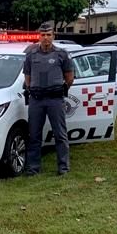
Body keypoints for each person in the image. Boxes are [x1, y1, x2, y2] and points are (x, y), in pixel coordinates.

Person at [23, 22, 75, 176]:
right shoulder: (31, 55)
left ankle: (63, 167)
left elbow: (69, 78)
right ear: (39, 36)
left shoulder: (62, 54)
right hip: (36, 100)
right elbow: (27, 77)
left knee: (60, 134)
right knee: (34, 135)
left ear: (53, 36)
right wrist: (33, 89)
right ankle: (33, 168)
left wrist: (59, 89)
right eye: (43, 35)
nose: (45, 38)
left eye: (48, 35)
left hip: (55, 100)